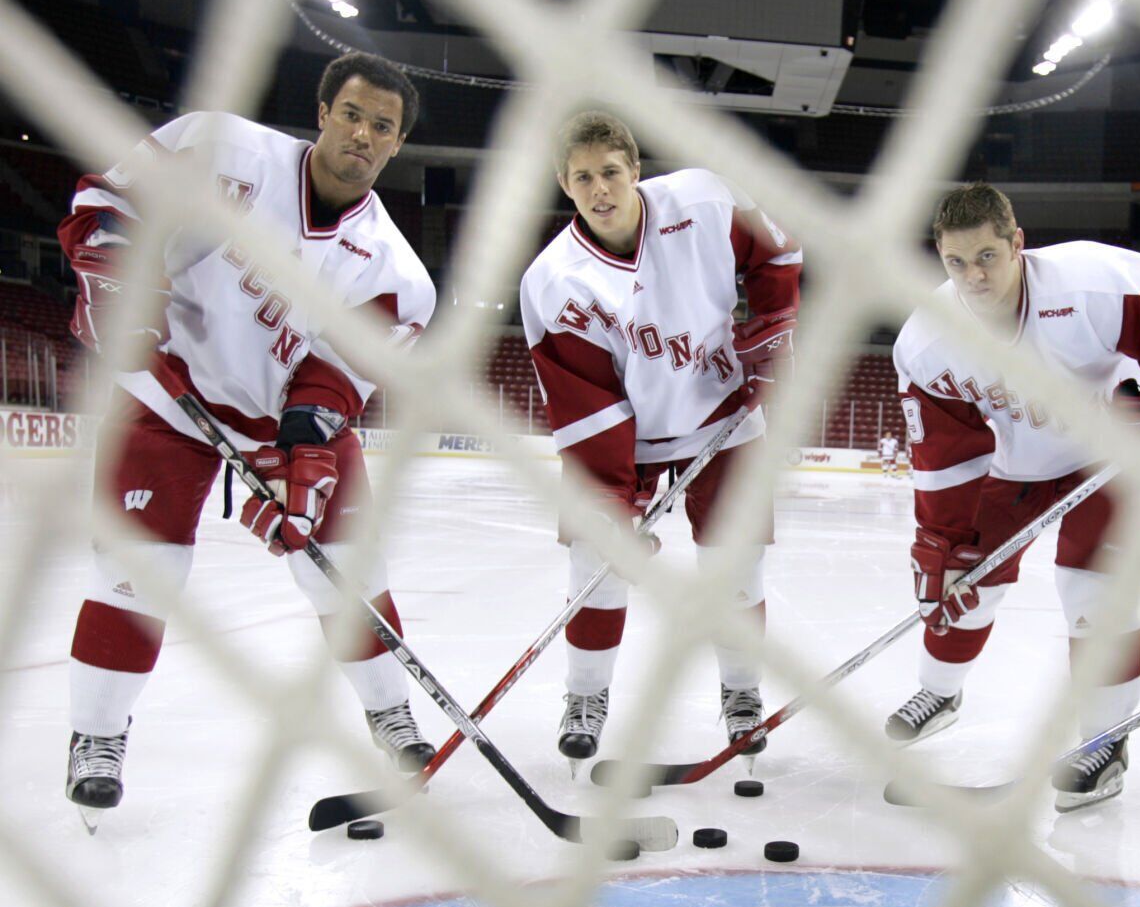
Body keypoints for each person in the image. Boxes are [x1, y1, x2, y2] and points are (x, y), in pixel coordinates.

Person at [60, 52, 438, 830]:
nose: (364, 135)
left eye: (384, 128)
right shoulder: (220, 149)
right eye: (354, 115)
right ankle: (97, 738)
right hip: (164, 395)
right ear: (325, 111)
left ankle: (393, 714)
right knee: (139, 572)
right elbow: (106, 204)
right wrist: (115, 281)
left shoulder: (397, 275)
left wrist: (305, 460)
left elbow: (333, 383)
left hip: (274, 419)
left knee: (345, 576)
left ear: (397, 145)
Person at [886, 182, 1140, 809]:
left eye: (987, 256)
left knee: (1094, 591)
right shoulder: (926, 340)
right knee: (965, 580)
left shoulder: (1090, 283)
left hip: (1109, 457)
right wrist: (943, 542)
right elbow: (944, 453)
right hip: (1019, 466)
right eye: (956, 262)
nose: (974, 277)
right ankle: (941, 690)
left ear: (1018, 243)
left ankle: (1105, 742)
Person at [519, 111, 801, 772]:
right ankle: (586, 699)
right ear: (564, 183)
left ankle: (742, 693)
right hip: (628, 435)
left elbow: (779, 250)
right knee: (596, 565)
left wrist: (773, 324)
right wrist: (613, 509)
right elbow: (587, 409)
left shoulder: (704, 199)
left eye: (611, 171)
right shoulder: (553, 281)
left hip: (724, 416)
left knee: (736, 569)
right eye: (583, 177)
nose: (600, 188)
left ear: (636, 170)